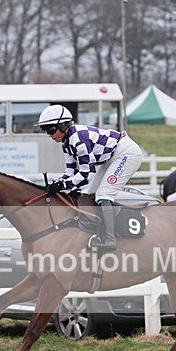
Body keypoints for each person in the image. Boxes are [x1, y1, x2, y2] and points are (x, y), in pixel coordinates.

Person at [35, 104, 143, 251]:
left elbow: (87, 175)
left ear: (63, 125)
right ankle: (97, 232)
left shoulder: (78, 139)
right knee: (89, 196)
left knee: (103, 195)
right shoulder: (66, 143)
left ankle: (110, 239)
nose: (49, 135)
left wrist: (63, 186)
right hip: (110, 158)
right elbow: (70, 171)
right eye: (45, 131)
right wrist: (58, 183)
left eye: (51, 130)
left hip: (126, 154)